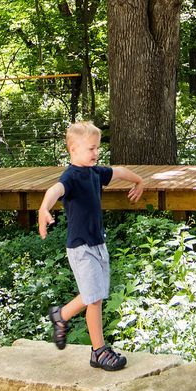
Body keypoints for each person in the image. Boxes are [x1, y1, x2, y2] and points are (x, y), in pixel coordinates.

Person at [36, 120, 144, 371]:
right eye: (90, 149)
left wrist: (138, 181)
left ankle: (60, 315)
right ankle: (99, 351)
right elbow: (55, 190)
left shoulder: (95, 173)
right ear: (73, 150)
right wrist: (44, 207)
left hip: (98, 244)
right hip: (81, 246)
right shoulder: (71, 176)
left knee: (92, 294)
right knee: (94, 299)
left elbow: (118, 171)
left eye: (97, 148)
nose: (96, 153)